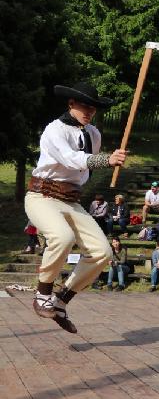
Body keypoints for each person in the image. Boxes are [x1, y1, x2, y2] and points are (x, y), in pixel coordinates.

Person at [25, 82, 126, 333]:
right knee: (62, 236)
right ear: (71, 104)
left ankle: (61, 301)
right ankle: (42, 294)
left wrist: (107, 160)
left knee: (103, 252)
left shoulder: (93, 134)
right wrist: (106, 160)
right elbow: (71, 159)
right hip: (43, 196)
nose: (89, 111)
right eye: (84, 106)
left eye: (93, 107)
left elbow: (83, 172)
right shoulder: (54, 130)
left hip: (71, 201)